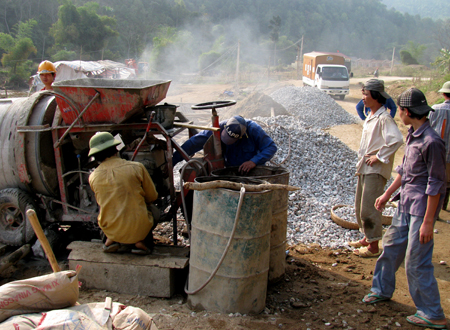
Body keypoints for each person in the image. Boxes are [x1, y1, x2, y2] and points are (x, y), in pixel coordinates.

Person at [362, 88, 447, 329]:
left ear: (406, 112)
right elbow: (405, 171)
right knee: (390, 248)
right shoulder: (413, 134)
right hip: (406, 204)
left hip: (421, 210)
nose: (398, 113)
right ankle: (381, 289)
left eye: (399, 109)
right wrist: (387, 194)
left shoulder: (432, 142)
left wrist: (429, 221)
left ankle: (433, 313)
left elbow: (436, 183)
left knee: (416, 260)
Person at [349, 79, 403, 258]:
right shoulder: (371, 116)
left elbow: (396, 140)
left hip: (376, 170)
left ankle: (373, 247)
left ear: (376, 96)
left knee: (370, 208)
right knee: (360, 205)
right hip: (366, 167)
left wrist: (379, 157)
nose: (363, 97)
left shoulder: (384, 118)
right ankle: (367, 237)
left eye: (365, 94)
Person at [88, 132, 158, 255]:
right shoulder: (136, 167)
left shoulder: (93, 176)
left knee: (107, 212)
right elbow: (152, 196)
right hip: (139, 228)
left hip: (111, 229)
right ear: (116, 150)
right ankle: (140, 242)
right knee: (154, 211)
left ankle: (111, 240)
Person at [172, 115, 277, 173]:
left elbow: (271, 147)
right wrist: (172, 161)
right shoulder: (218, 127)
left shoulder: (253, 129)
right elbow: (193, 143)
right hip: (229, 170)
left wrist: (253, 161)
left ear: (241, 136)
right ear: (225, 127)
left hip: (252, 171)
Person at [429, 81, 450, 211]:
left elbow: (427, 128)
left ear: (443, 93)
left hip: (434, 153)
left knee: (432, 179)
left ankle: (431, 209)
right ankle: (443, 205)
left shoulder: (434, 109)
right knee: (447, 182)